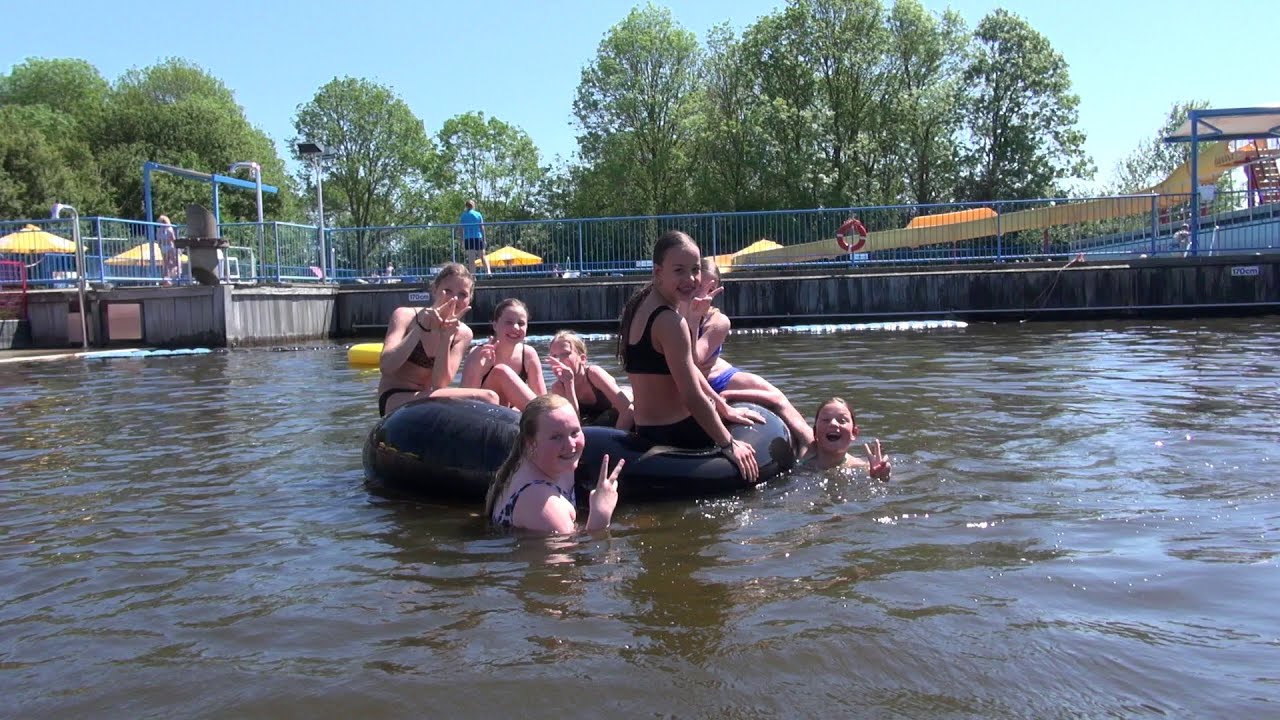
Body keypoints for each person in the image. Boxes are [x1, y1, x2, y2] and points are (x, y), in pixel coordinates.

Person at [617, 230, 761, 482]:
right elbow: (691, 395)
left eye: (695, 269)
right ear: (658, 272)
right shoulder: (671, 322)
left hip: (646, 430)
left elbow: (687, 370)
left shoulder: (637, 306)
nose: (690, 279)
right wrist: (728, 444)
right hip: (680, 433)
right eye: (679, 270)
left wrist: (722, 405)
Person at [686, 258, 814, 456]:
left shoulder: (718, 321)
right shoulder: (673, 311)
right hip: (692, 379)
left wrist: (694, 319)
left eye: (710, 288)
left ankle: (810, 444)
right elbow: (686, 365)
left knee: (777, 397)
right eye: (700, 286)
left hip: (715, 377)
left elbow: (697, 360)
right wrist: (692, 317)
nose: (703, 293)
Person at [484, 394, 625, 534]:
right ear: (531, 443)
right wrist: (600, 516)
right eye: (556, 437)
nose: (571, 445)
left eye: (575, 432)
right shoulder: (544, 506)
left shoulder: (533, 461)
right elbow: (583, 555)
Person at [377, 262, 498, 417]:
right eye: (447, 291)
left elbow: (439, 384)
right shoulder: (405, 316)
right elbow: (386, 366)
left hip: (431, 397)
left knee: (491, 398)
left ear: (470, 299)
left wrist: (446, 337)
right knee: (486, 397)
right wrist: (420, 327)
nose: (454, 298)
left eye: (463, 294)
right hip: (394, 399)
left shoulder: (463, 334)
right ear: (435, 290)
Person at [462, 298, 546, 410]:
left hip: (514, 416)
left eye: (521, 323)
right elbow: (465, 403)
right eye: (509, 322)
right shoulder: (478, 353)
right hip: (485, 414)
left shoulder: (528, 354)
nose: (515, 328)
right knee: (500, 372)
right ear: (495, 325)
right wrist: (480, 370)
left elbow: (542, 397)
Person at [547, 330, 633, 429]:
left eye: (565, 354)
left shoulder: (593, 374)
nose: (559, 360)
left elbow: (628, 410)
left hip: (623, 413)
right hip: (594, 421)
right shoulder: (558, 388)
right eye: (554, 356)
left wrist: (615, 441)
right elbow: (574, 425)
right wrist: (568, 383)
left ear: (582, 359)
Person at [802, 397, 891, 479]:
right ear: (815, 432)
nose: (833, 423)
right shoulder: (803, 457)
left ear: (854, 433)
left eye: (842, 420)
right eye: (826, 420)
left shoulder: (863, 469)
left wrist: (882, 478)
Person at [460, 199, 490, 276]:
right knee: (482, 256)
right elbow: (482, 227)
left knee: (471, 259)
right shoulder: (478, 214)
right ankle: (488, 272)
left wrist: (462, 241)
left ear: (466, 206)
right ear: (473, 206)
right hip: (477, 237)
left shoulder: (463, 216)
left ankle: (473, 276)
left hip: (468, 238)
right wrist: (484, 239)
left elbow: (461, 229)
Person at [158, 215, 179, 286]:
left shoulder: (160, 230)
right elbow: (173, 239)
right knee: (172, 263)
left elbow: (159, 241)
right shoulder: (170, 229)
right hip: (170, 247)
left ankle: (165, 278)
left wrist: (160, 246)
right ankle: (171, 278)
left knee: (166, 264)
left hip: (163, 247)